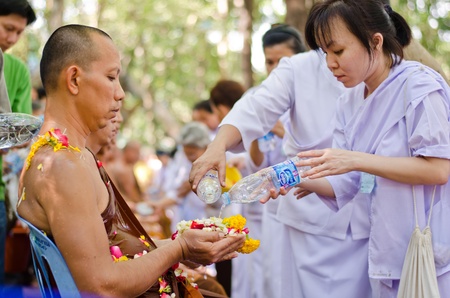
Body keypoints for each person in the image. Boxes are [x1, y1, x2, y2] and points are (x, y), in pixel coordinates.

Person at [17, 24, 245, 297]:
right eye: (112, 77)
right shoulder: (62, 165)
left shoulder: (67, 156)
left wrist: (184, 246)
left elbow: (114, 251)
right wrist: (179, 248)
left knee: (212, 287)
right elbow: (101, 286)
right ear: (74, 79)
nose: (121, 93)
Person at [189, 24, 373, 298]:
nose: (334, 62)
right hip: (304, 215)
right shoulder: (297, 69)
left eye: (341, 50)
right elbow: (254, 109)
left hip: (364, 217)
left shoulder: (389, 75)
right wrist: (219, 146)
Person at [282, 1, 449, 297]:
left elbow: (438, 169)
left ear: (375, 41)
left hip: (427, 253)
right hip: (384, 252)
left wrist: (356, 160)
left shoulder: (418, 86)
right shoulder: (349, 101)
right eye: (325, 53)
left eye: (338, 51)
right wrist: (291, 177)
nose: (330, 64)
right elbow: (348, 182)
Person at [0, 0, 35, 286]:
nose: (11, 38)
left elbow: (18, 131)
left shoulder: (17, 70)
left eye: (18, 32)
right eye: (7, 28)